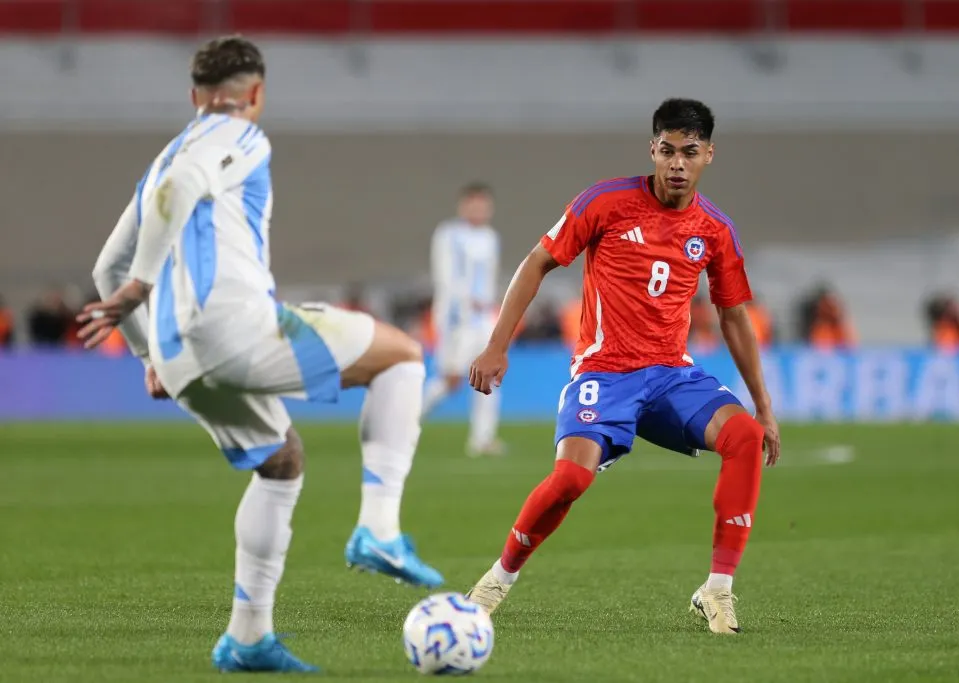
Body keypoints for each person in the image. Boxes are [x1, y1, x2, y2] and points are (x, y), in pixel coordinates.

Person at [78, 36, 442, 674]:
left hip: (183, 358)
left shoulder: (163, 158)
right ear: (257, 94)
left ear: (193, 95)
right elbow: (152, 234)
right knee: (403, 355)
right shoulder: (241, 135)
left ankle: (248, 638)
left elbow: (103, 265)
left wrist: (146, 357)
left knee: (280, 462)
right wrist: (143, 281)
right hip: (238, 329)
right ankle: (378, 530)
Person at [464, 99, 781, 635]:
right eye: (668, 151)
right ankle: (497, 578)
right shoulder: (606, 202)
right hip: (603, 373)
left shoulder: (716, 230)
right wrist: (498, 344)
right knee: (569, 480)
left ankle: (718, 591)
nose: (677, 163)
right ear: (652, 150)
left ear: (709, 155)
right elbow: (537, 261)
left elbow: (733, 317)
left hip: (671, 376)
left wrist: (765, 407)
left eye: (690, 152)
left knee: (746, 437)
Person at [421, 183, 504, 456]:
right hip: (457, 318)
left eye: (483, 205)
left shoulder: (491, 238)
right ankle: (407, 422)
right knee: (451, 380)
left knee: (490, 373)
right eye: (473, 205)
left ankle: (482, 439)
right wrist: (462, 304)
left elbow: (491, 279)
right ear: (463, 206)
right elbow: (444, 277)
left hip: (484, 319)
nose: (479, 210)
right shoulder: (449, 235)